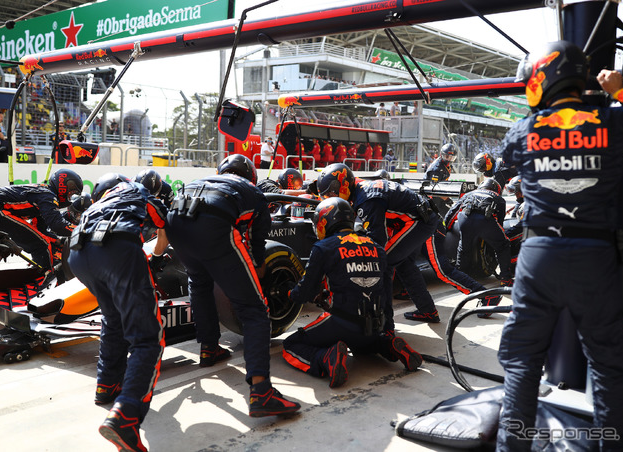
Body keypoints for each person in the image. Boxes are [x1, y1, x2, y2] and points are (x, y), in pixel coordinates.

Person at [496, 41, 623, 451]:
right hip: (596, 257)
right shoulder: (615, 120)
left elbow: (503, 162)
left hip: (539, 259)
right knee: (609, 367)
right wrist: (620, 91)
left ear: (542, 78)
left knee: (522, 361)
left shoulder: (523, 130)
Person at [164, 154, 301, 418]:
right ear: (250, 174)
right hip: (213, 224)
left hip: (176, 224)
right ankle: (262, 392)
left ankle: (208, 347)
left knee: (199, 281)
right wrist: (255, 272)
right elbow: (256, 244)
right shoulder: (252, 191)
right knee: (255, 309)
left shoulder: (201, 179)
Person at [68, 172, 168, 452]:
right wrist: (157, 256)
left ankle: (106, 385)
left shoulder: (98, 203)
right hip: (117, 248)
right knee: (147, 338)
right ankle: (125, 416)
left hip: (78, 254)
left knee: (112, 318)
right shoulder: (139, 191)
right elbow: (163, 229)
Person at [283, 197, 423, 387]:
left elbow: (304, 293)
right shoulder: (377, 248)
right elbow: (383, 292)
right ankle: (388, 345)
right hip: (374, 326)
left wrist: (289, 293)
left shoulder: (323, 247)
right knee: (362, 347)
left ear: (326, 220)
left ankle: (326, 358)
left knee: (291, 344)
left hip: (341, 324)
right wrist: (388, 330)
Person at [316, 163, 440, 331]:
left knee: (384, 263)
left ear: (344, 184)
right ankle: (428, 311)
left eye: (331, 192)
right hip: (416, 218)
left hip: (418, 220)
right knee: (402, 263)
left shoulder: (367, 198)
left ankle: (387, 326)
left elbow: (377, 240)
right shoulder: (359, 188)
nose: (330, 197)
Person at [0, 168, 82, 271]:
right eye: (71, 188)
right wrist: (83, 230)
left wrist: (59, 240)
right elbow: (57, 224)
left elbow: (40, 229)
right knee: (41, 245)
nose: (71, 193)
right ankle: (42, 278)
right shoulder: (48, 196)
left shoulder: (44, 194)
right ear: (62, 184)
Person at [444, 178, 512, 287]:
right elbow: (500, 222)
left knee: (463, 248)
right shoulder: (498, 198)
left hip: (465, 219)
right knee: (503, 246)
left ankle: (459, 278)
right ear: (496, 189)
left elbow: (452, 212)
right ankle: (505, 278)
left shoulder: (469, 194)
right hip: (486, 221)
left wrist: (445, 229)